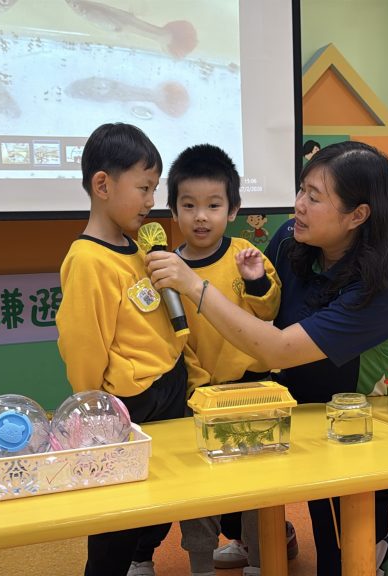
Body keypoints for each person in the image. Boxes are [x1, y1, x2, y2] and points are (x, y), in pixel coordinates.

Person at [146, 140, 388, 576]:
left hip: (363, 430)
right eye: (301, 190)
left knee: (346, 566)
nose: (298, 205)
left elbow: (277, 348)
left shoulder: (383, 288)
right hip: (303, 414)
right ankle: (273, 533)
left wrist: (194, 285)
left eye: (314, 197)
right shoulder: (291, 240)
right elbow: (261, 313)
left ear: (357, 215)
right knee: (228, 480)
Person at [128, 144, 283, 576]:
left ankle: (259, 557)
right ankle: (200, 565)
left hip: (252, 393)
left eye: (213, 205)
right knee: (198, 488)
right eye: (189, 205)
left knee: (258, 486)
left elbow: (270, 313)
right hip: (198, 396)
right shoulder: (165, 266)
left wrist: (256, 282)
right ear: (173, 211)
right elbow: (164, 334)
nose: (201, 216)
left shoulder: (246, 256)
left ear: (232, 210)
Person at [55, 123, 190, 576]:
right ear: (102, 185)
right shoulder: (87, 260)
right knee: (117, 512)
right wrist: (93, 407)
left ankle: (141, 556)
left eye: (154, 188)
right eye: (144, 188)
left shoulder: (136, 247)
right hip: (128, 402)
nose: (152, 201)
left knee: (165, 493)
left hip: (169, 384)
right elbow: (83, 344)